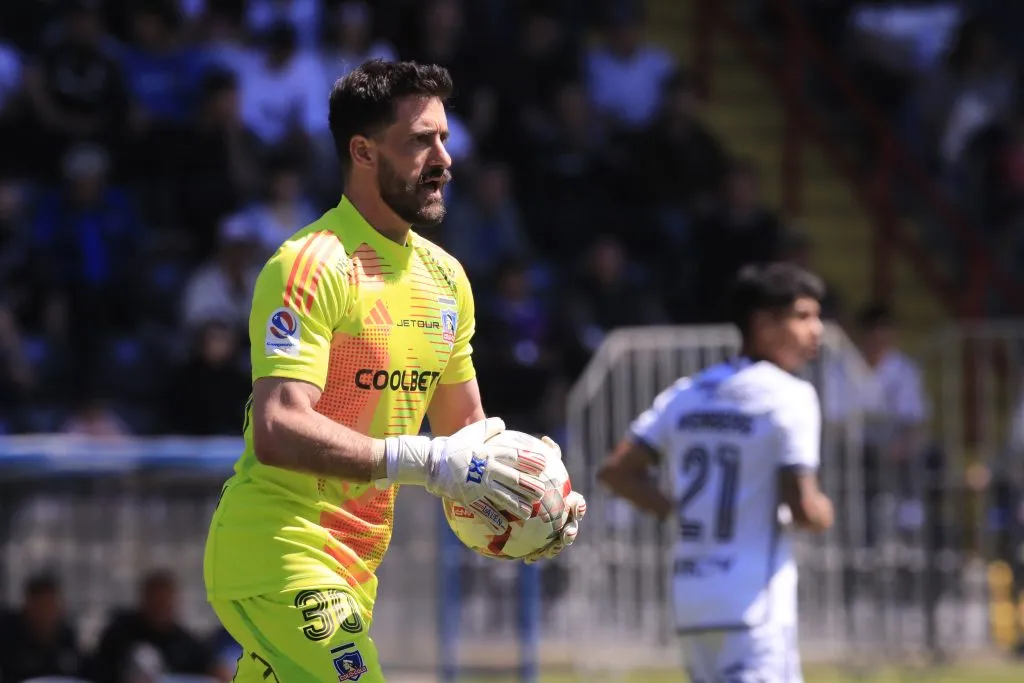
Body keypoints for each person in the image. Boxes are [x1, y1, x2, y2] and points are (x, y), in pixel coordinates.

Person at [203, 59, 586, 683]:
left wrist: (535, 497)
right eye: (420, 141)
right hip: (278, 551)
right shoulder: (309, 264)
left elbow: (468, 436)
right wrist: (427, 461)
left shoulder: (446, 279)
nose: (444, 159)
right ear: (362, 150)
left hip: (355, 568)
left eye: (444, 138)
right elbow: (277, 428)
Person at [597, 262, 833, 683]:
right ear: (762, 323)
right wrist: (824, 511)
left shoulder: (687, 393)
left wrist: (679, 512)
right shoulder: (791, 396)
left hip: (693, 600)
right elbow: (803, 508)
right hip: (754, 606)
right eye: (803, 316)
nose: (818, 330)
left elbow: (616, 471)